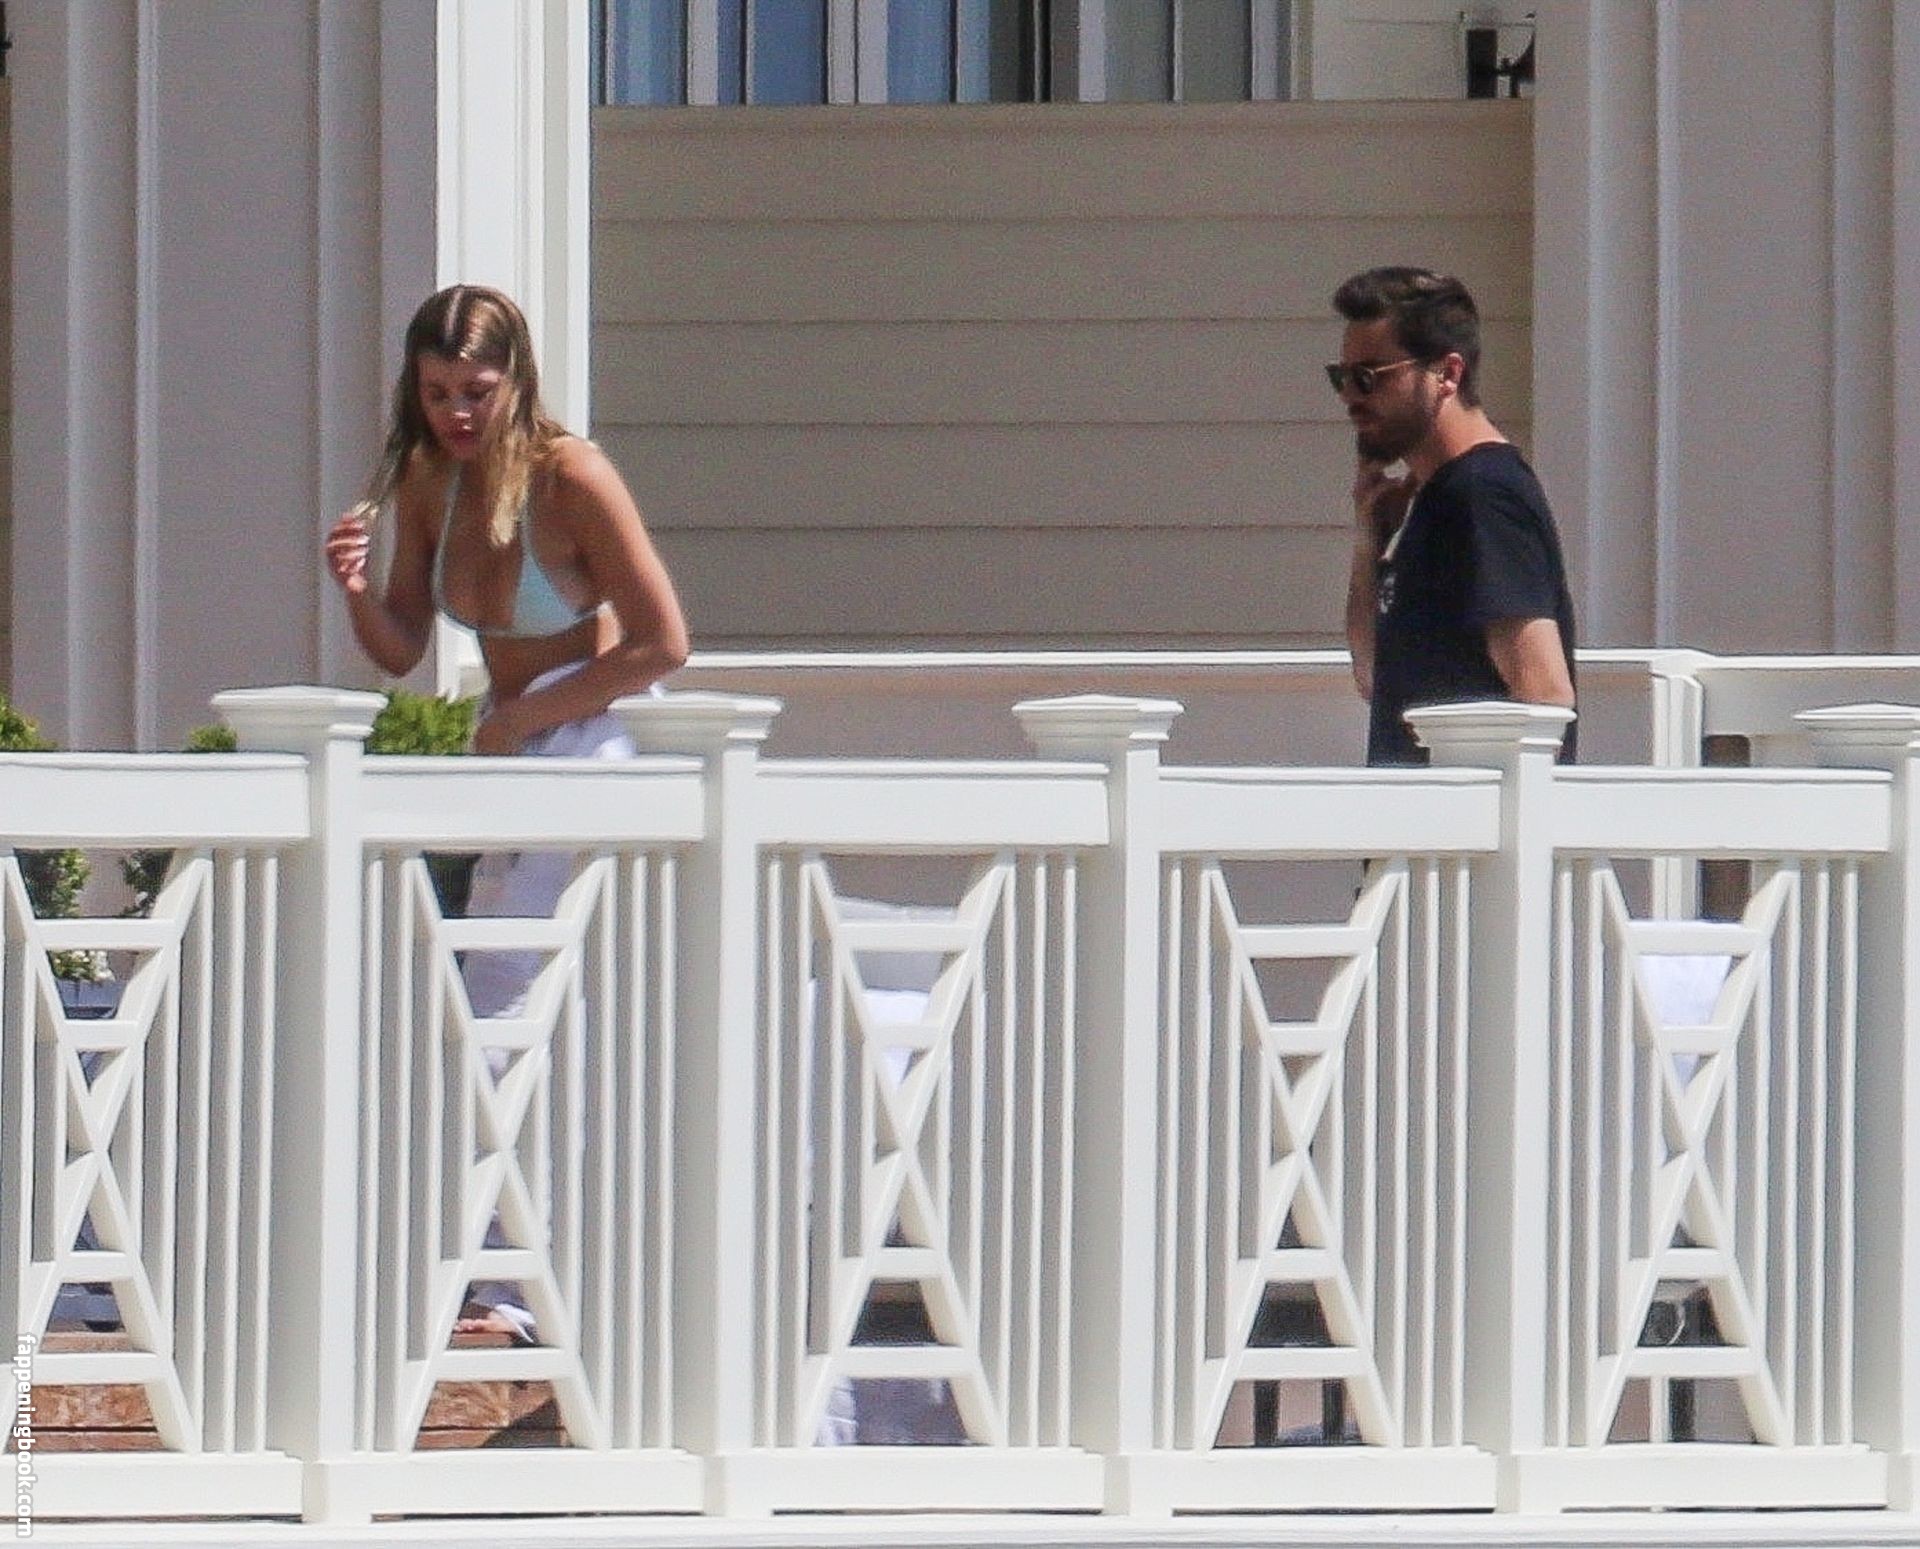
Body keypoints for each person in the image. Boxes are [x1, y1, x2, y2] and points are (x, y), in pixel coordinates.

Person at [324, 283, 689, 1340]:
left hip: (590, 741)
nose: (456, 411)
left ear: (516, 380)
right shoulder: (428, 480)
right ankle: (502, 1274)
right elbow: (402, 645)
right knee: (490, 1007)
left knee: (508, 1004)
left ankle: (510, 1289)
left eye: (476, 390)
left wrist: (527, 714)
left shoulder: (572, 476)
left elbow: (662, 641)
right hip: (513, 748)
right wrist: (353, 589)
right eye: (437, 390)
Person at [1334, 266, 1576, 766]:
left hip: (1465, 815)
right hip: (1419, 814)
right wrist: (1368, 539)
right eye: (1342, 378)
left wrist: (1495, 813)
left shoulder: (1485, 494)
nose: (1351, 397)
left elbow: (1544, 693)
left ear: (1447, 373)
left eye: (1369, 377)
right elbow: (1373, 675)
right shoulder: (1434, 499)